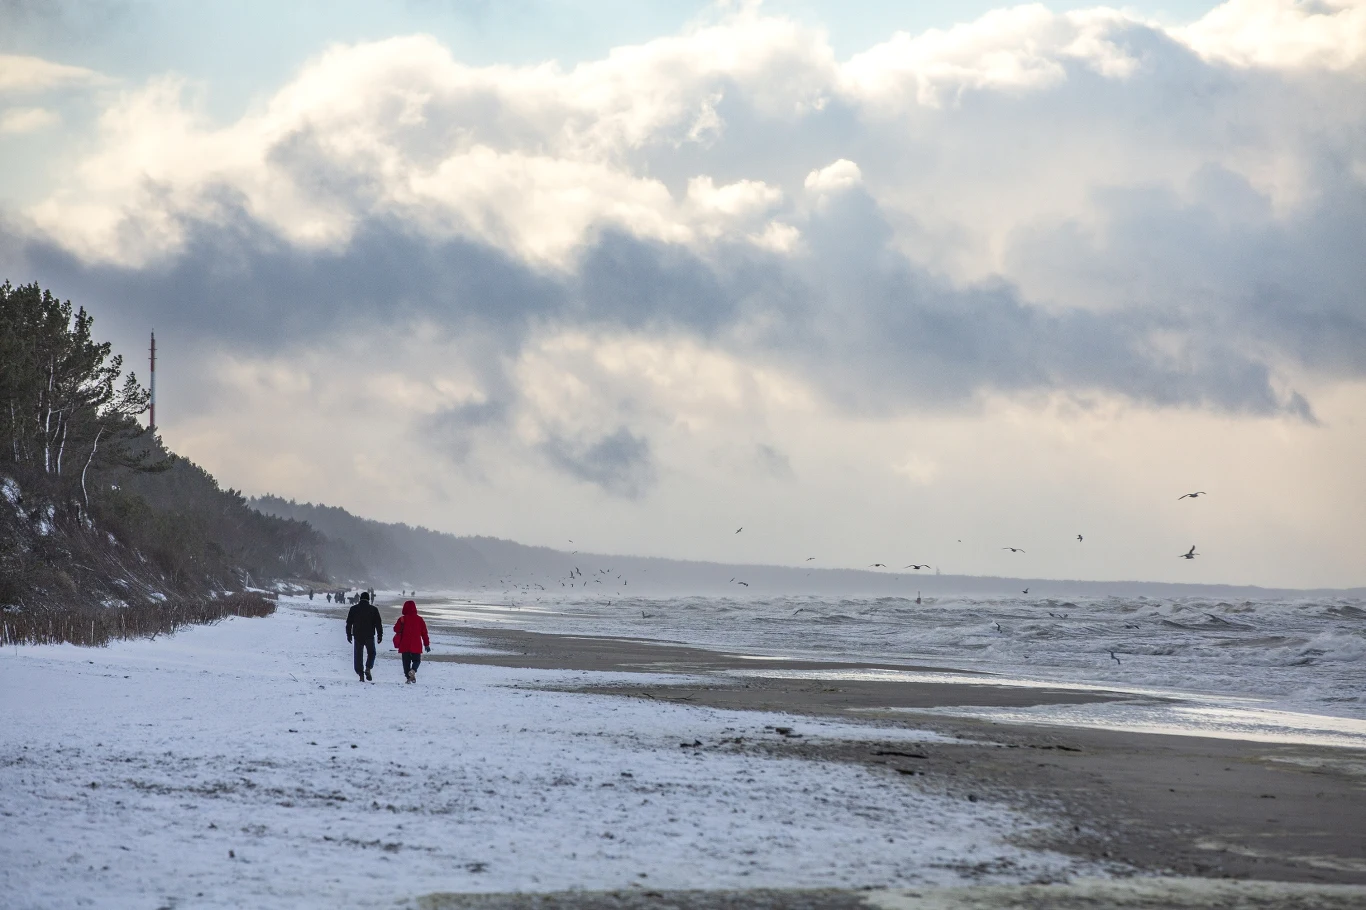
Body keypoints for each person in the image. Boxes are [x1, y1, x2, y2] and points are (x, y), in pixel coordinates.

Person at [345, 591, 383, 683]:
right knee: (372, 652)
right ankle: (368, 667)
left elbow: (349, 623)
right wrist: (379, 635)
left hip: (357, 635)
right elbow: (378, 623)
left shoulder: (354, 609)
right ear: (368, 599)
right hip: (369, 635)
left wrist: (348, 634)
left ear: (360, 599)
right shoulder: (373, 609)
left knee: (358, 655)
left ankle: (361, 675)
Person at [392, 599, 430, 683]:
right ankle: (413, 670)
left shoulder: (402, 619)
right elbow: (424, 633)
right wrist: (426, 644)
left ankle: (408, 677)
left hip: (405, 644)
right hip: (416, 644)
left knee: (406, 662)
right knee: (417, 660)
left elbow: (396, 629)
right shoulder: (419, 620)